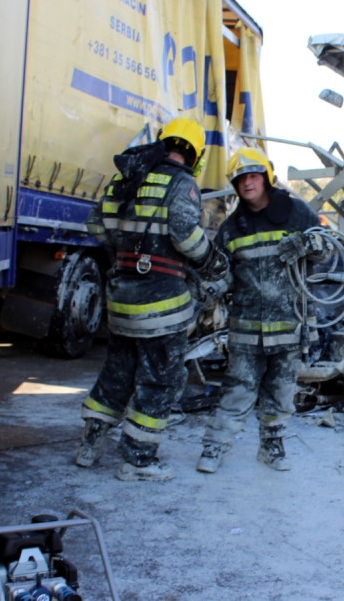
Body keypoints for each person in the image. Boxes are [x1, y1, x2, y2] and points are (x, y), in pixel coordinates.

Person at [75, 116, 228, 482]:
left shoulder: (129, 176)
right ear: (196, 154)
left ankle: (89, 445)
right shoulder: (183, 183)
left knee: (117, 372)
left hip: (123, 299)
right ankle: (138, 460)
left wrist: (131, 247)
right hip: (161, 305)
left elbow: (97, 226)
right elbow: (184, 234)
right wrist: (211, 261)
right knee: (160, 380)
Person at [196, 147, 330, 473]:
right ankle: (214, 449)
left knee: (281, 392)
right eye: (241, 179)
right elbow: (223, 274)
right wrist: (205, 295)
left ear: (266, 178)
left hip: (289, 324)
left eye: (253, 176)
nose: (247, 183)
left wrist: (309, 244)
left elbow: (327, 250)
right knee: (236, 392)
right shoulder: (232, 228)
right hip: (247, 328)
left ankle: (272, 447)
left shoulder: (298, 213)